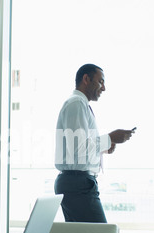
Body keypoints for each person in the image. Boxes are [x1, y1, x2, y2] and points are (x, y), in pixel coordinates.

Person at [54, 64, 134, 222]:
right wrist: (111, 138)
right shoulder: (76, 104)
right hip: (77, 184)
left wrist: (104, 147)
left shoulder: (81, 105)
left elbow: (80, 147)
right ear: (86, 79)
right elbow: (78, 148)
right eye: (100, 81)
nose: (103, 88)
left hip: (79, 182)